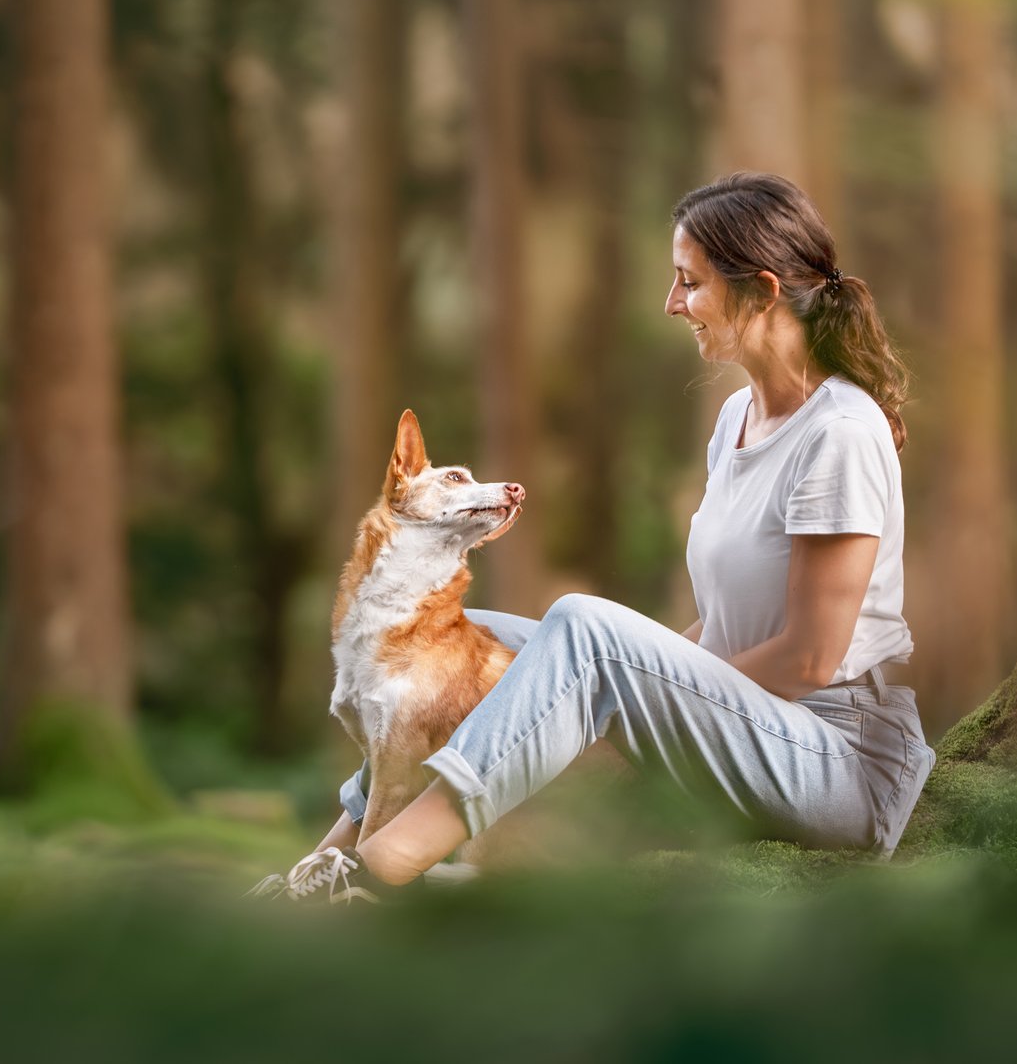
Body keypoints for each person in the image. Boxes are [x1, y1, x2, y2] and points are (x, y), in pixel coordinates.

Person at [267, 171, 935, 904]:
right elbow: (719, 628)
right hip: (751, 729)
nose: (672, 302)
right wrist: (623, 695)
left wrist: (626, 706)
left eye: (690, 283)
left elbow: (810, 658)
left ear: (764, 290)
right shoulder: (737, 420)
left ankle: (384, 870)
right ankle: (324, 860)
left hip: (839, 758)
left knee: (586, 630)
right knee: (464, 639)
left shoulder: (840, 432)